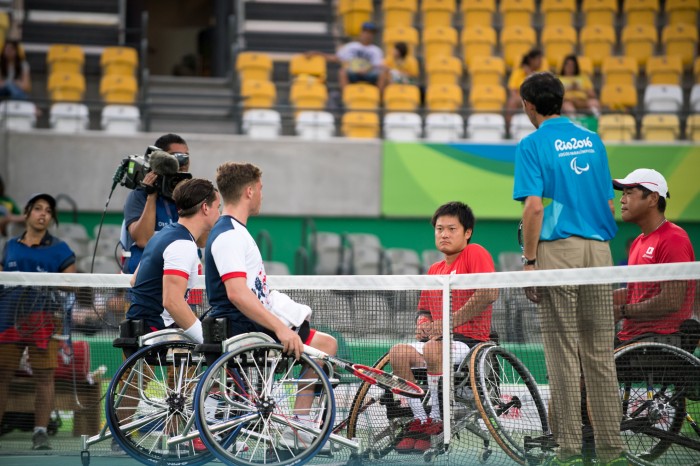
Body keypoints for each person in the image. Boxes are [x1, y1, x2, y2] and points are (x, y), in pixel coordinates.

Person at [512, 72, 625, 465]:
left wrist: (529, 262)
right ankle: (613, 451)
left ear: (529, 105)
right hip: (599, 253)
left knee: (562, 354)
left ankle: (570, 450)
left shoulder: (532, 144)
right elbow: (609, 205)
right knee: (599, 356)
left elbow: (533, 207)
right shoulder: (593, 141)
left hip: (559, 252)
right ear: (560, 100)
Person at [204, 162, 338, 450]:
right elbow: (237, 294)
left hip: (246, 321)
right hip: (243, 325)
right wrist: (281, 328)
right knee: (325, 346)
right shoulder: (228, 234)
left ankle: (299, 426)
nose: (263, 196)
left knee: (322, 342)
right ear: (249, 191)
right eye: (261, 189)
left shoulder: (235, 231)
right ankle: (299, 428)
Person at [387, 201, 498, 453]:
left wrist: (446, 324)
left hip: (470, 344)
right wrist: (424, 323)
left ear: (467, 232)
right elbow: (424, 310)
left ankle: (437, 419)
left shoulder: (475, 253)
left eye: (451, 229)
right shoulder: (434, 269)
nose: (444, 234)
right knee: (398, 353)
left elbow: (489, 292)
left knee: (434, 350)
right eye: (439, 229)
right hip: (438, 343)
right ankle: (420, 420)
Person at [0, 193, 76, 450]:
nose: (43, 214)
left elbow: (72, 285)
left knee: (45, 377)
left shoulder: (60, 249)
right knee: (2, 376)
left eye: (48, 211)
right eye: (38, 209)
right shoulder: (10, 246)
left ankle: (40, 432)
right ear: (26, 213)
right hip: (8, 319)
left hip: (44, 320)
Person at [126, 178, 220, 341]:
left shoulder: (163, 235)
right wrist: (205, 339)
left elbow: (135, 280)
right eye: (218, 208)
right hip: (154, 331)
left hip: (137, 327)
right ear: (205, 208)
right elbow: (172, 302)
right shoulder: (182, 245)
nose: (219, 214)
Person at [612, 169, 696, 342]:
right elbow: (640, 292)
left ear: (653, 199)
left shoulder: (673, 238)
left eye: (629, 193)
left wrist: (622, 311)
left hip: (657, 342)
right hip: (632, 338)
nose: (622, 199)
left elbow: (671, 301)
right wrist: (602, 299)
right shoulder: (638, 242)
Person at [121, 133, 191, 274]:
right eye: (175, 156)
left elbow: (201, 241)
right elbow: (143, 240)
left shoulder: (189, 197)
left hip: (181, 276)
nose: (181, 163)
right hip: (145, 279)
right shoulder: (139, 195)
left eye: (186, 157)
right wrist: (151, 196)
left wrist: (189, 199)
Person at [308, 21, 386, 91]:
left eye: (371, 33)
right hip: (353, 72)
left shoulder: (376, 50)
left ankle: (379, 100)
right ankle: (346, 96)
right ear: (361, 32)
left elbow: (377, 65)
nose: (368, 35)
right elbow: (335, 58)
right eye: (366, 32)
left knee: (382, 74)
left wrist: (365, 70)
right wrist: (318, 54)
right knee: (342, 72)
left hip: (369, 73)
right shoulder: (350, 46)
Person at [505, 48, 543, 123]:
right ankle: (508, 130)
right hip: (521, 99)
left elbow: (540, 90)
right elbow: (512, 90)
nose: (540, 62)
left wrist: (529, 74)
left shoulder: (541, 74)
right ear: (531, 60)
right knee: (512, 102)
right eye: (538, 59)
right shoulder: (518, 72)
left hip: (537, 98)